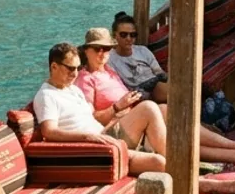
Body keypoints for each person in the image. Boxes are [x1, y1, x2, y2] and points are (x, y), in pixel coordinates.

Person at [75, 28, 235, 166]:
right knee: (153, 108)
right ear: (86, 51)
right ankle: (191, 162)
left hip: (131, 119)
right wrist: (117, 107)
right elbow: (91, 119)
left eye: (106, 49)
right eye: (97, 49)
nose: (102, 53)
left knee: (170, 116)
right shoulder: (85, 79)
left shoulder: (109, 71)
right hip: (113, 131)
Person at [33, 42, 166, 176]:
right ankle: (175, 166)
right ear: (54, 66)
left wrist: (117, 113)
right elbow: (49, 132)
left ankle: (175, 160)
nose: (75, 74)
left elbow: (92, 118)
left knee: (150, 108)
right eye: (70, 68)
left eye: (77, 68)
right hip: (94, 150)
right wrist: (88, 137)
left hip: (103, 136)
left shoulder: (72, 89)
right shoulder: (47, 96)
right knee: (159, 162)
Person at [108, 12, 169, 103]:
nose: (129, 38)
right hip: (138, 93)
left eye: (133, 35)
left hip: (155, 85)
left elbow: (159, 72)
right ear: (114, 35)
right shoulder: (110, 59)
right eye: (124, 35)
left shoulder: (142, 50)